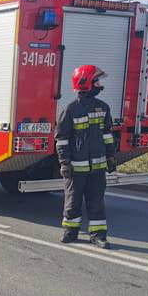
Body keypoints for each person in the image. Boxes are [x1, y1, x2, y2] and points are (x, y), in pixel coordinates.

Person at [55, 65, 116, 249]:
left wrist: (111, 157)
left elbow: (107, 135)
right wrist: (65, 163)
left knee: (96, 201)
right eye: (96, 81)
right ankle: (70, 231)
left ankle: (98, 235)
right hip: (76, 167)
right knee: (73, 201)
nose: (99, 84)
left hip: (97, 167)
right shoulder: (70, 110)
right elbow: (61, 139)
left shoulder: (103, 108)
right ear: (85, 83)